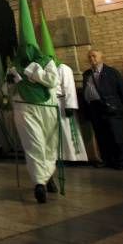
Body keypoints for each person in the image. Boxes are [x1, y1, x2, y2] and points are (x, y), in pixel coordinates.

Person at [11, 0, 61, 203]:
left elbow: (52, 81)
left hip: (47, 107)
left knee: (49, 144)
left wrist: (33, 73)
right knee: (34, 144)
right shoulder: (14, 65)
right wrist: (11, 81)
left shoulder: (46, 62)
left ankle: (48, 175)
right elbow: (8, 89)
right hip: (24, 108)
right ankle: (39, 182)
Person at [39, 12, 87, 163]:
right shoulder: (45, 70)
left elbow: (69, 88)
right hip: (51, 103)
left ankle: (74, 157)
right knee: (55, 131)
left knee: (68, 130)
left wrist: (70, 105)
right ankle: (60, 156)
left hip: (62, 103)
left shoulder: (63, 69)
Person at [82, 50, 123, 170]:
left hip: (111, 107)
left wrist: (117, 105)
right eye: (89, 56)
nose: (91, 58)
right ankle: (107, 160)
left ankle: (121, 161)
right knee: (101, 136)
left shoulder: (111, 72)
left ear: (101, 57)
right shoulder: (87, 74)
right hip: (94, 108)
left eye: (94, 56)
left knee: (116, 135)